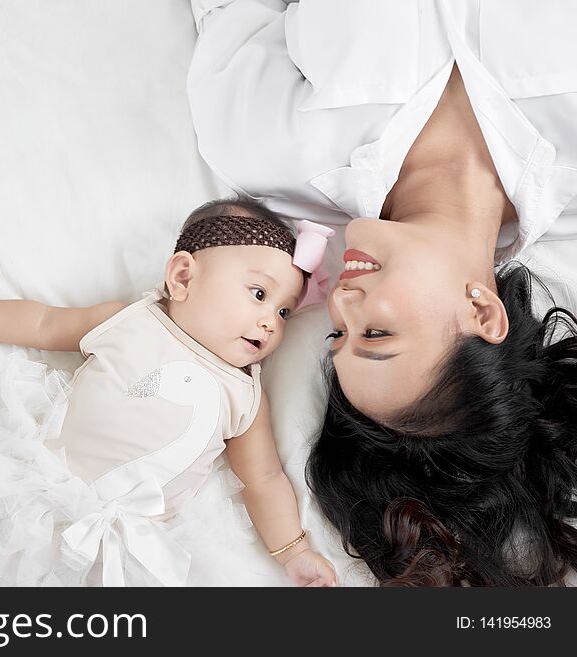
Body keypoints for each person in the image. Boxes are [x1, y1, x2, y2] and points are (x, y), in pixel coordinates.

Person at [187, 0, 577, 585]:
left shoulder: (269, 152)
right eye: (376, 333)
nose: (341, 300)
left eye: (339, 334)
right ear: (481, 311)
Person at [0, 196, 338, 587]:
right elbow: (44, 323)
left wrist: (294, 551)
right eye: (258, 293)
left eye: (283, 310)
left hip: (113, 543)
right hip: (38, 487)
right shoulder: (131, 320)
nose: (271, 322)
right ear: (183, 277)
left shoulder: (243, 395)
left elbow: (263, 479)